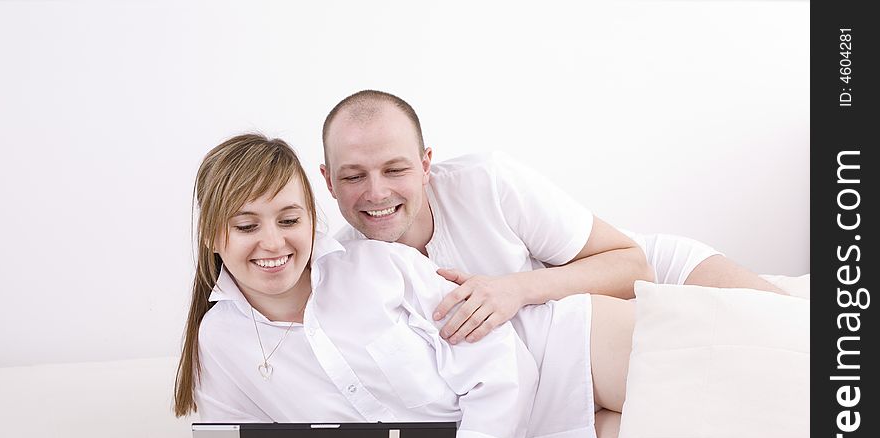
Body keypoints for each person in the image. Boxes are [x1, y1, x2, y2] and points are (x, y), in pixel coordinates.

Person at [175, 133, 636, 438]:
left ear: (312, 220)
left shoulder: (379, 266)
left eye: (289, 220)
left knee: (699, 380)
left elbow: (497, 357)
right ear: (214, 235)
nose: (273, 243)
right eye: (247, 225)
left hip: (558, 349)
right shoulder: (220, 339)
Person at [321, 90, 786, 346]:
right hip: (582, 345)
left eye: (395, 169)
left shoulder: (487, 180)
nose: (376, 192)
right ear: (327, 180)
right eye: (354, 176)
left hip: (655, 273)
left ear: (425, 164)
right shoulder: (345, 268)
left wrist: (514, 290)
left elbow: (633, 263)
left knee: (794, 333)